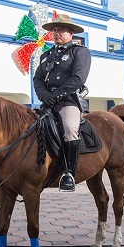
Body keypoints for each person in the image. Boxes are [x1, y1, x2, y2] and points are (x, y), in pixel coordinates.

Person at [33, 13, 91, 192]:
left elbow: (78, 78)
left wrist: (56, 95)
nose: (57, 33)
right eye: (55, 30)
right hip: (47, 102)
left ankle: (69, 173)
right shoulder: (46, 55)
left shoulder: (79, 52)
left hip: (67, 101)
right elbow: (38, 79)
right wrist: (44, 96)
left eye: (61, 30)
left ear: (71, 33)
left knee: (70, 127)